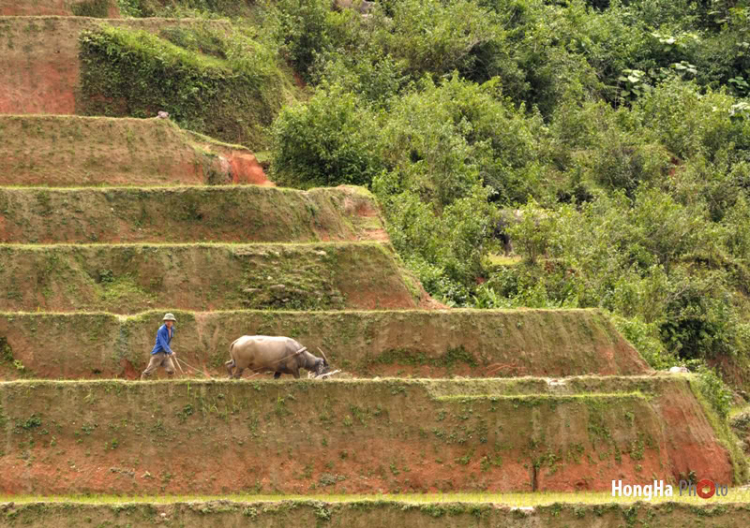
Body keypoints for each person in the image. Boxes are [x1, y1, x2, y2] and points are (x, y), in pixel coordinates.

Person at [140, 313, 178, 380]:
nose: (168, 322)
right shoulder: (161, 330)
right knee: (149, 370)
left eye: (170, 321)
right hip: (158, 353)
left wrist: (168, 352)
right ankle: (142, 382)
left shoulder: (172, 329)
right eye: (167, 320)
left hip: (165, 354)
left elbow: (168, 342)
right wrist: (170, 352)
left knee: (171, 369)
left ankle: (170, 384)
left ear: (173, 322)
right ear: (165, 321)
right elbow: (163, 343)